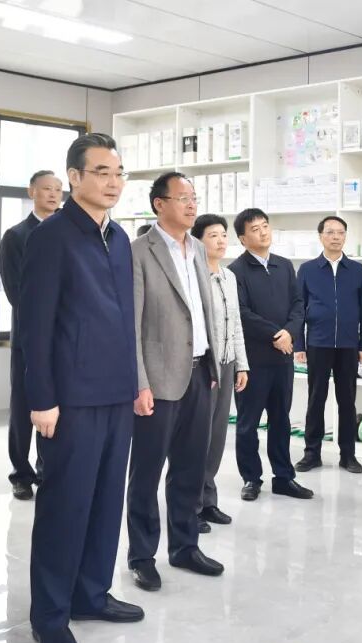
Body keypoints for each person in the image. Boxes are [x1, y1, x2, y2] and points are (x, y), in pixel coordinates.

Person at [20, 133, 143, 643]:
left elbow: (126, 320)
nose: (113, 183)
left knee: (106, 502)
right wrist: (41, 397)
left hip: (116, 394)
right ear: (74, 177)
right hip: (70, 399)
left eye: (118, 173)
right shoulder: (52, 237)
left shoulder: (118, 237)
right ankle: (50, 616)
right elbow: (34, 325)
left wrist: (136, 383)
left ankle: (91, 594)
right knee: (64, 507)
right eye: (101, 172)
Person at [127, 173, 223, 592]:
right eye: (182, 198)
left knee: (190, 468)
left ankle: (184, 547)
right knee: (146, 473)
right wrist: (139, 382)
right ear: (159, 204)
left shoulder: (197, 248)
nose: (191, 204)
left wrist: (214, 366)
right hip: (158, 379)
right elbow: (131, 324)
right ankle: (141, 556)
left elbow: (203, 310)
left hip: (200, 373)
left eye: (194, 197)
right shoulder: (138, 251)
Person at [228, 208, 313, 502]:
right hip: (252, 362)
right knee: (248, 423)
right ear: (242, 239)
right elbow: (241, 313)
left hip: (282, 360)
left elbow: (299, 305)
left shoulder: (284, 266)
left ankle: (284, 477)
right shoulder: (236, 271)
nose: (263, 232)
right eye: (255, 229)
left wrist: (289, 332)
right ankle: (251, 478)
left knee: (281, 420)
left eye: (265, 226)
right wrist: (276, 335)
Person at [0, 170, 62, 500]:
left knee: (56, 406)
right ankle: (20, 473)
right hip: (28, 336)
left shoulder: (67, 231)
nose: (53, 195)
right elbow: (16, 292)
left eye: (58, 189)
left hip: (63, 339)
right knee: (24, 406)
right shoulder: (16, 236)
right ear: (31, 192)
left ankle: (46, 468)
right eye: (46, 189)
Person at [295, 216, 362, 475]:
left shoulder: (357, 270)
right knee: (316, 399)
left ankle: (348, 455)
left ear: (345, 236)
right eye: (330, 232)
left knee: (347, 402)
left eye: (340, 232)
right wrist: (299, 344)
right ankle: (312, 453)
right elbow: (298, 310)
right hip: (318, 343)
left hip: (349, 345)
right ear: (321, 236)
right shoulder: (307, 270)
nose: (336, 237)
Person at [190, 213, 248, 533]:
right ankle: (191, 506)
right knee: (198, 438)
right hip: (204, 367)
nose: (221, 240)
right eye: (213, 235)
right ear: (198, 241)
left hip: (227, 365)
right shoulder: (194, 276)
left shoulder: (229, 277)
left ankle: (208, 500)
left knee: (217, 437)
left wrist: (242, 364)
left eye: (224, 235)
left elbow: (235, 323)